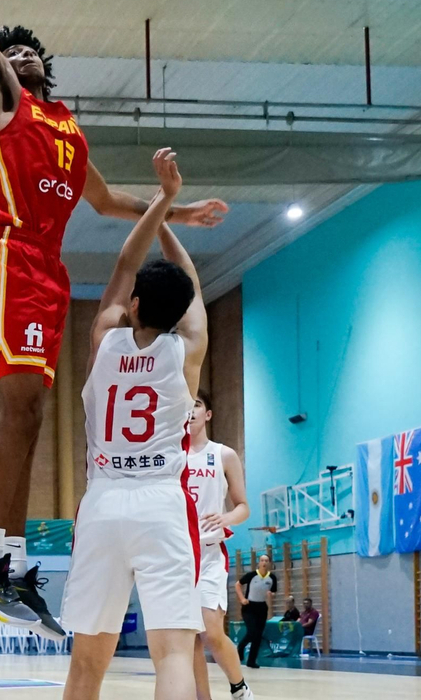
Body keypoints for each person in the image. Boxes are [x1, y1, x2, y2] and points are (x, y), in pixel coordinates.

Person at [0, 0, 230, 638]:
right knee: (21, 404)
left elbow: (107, 201)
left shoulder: (67, 129)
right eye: (9, 49)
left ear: (48, 65)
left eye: (29, 47)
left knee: (34, 414)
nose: (19, 51)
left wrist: (177, 209)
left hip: (46, 269)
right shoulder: (3, 103)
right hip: (7, 254)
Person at [60, 149, 209, 700]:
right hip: (160, 503)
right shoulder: (187, 351)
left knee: (85, 664)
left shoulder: (105, 337)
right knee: (171, 653)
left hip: (102, 503)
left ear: (136, 303)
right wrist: (174, 218)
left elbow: (126, 263)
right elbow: (188, 284)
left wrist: (163, 203)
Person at [185, 393, 253, 700]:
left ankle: (239, 687)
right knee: (189, 639)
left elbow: (243, 507)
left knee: (211, 631)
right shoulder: (170, 455)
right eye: (185, 404)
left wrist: (225, 517)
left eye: (197, 404)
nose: (190, 410)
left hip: (210, 553)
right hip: (177, 556)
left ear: (208, 414)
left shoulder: (223, 455)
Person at [235, 555, 276, 669]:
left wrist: (271, 594)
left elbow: (273, 592)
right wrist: (242, 599)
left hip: (262, 607)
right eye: (262, 560)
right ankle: (241, 646)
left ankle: (251, 661)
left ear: (269, 563)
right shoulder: (251, 575)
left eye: (266, 561)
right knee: (252, 631)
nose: (264, 563)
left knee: (258, 635)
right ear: (259, 562)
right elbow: (238, 584)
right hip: (249, 607)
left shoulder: (272, 578)